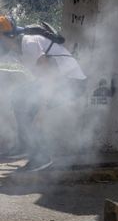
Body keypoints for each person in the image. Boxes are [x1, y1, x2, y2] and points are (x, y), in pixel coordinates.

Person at [0, 16, 86, 171]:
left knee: (26, 106)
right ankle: (24, 146)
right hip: (58, 82)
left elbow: (48, 75)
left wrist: (42, 108)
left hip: (72, 82)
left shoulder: (29, 44)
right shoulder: (17, 52)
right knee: (18, 97)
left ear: (8, 36)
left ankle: (41, 157)